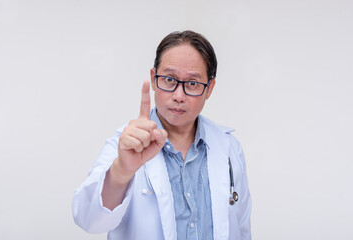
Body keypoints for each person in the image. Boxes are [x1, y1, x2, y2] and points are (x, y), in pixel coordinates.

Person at [72, 30, 251, 240]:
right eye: (168, 79)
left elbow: (242, 229)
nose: (178, 96)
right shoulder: (125, 145)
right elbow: (89, 220)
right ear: (154, 79)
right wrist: (122, 171)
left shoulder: (229, 147)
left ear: (209, 88)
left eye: (192, 84)